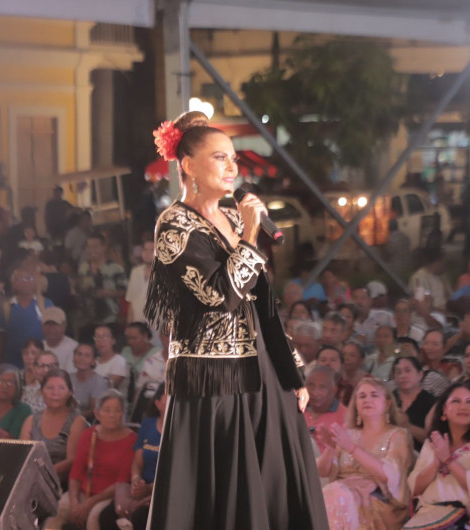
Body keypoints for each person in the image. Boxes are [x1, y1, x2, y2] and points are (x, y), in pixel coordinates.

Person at [143, 112, 327, 529]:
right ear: (188, 165)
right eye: (220, 158)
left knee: (277, 486)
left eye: (233, 159)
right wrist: (248, 236)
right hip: (216, 382)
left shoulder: (231, 218)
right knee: (226, 497)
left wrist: (292, 370)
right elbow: (217, 298)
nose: (232, 168)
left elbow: (263, 305)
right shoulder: (174, 225)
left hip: (262, 371)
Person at [319, 377, 414, 530]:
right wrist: (330, 449)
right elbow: (322, 471)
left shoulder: (398, 435)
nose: (367, 400)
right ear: (355, 404)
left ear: (388, 404)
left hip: (379, 502)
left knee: (336, 496)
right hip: (340, 494)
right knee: (326, 495)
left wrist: (352, 449)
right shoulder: (349, 434)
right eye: (362, 396)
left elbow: (390, 475)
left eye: (374, 395)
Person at [407, 383, 470, 530]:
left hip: (464, 520)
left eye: (469, 402)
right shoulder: (432, 443)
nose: (463, 406)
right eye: (456, 401)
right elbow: (414, 488)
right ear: (444, 410)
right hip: (427, 516)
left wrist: (449, 460)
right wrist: (435, 463)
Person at [48, 389, 136, 530]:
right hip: (83, 492)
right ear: (97, 413)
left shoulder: (131, 440)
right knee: (58, 509)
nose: (112, 415)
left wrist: (89, 504)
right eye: (107, 410)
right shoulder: (90, 434)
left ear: (123, 414)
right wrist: (75, 502)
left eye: (117, 410)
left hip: (108, 497)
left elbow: (122, 481)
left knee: (95, 516)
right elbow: (76, 472)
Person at [100, 383, 168, 530]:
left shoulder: (183, 430)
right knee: (106, 516)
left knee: (141, 517)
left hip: (163, 492)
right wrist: (136, 479)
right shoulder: (148, 424)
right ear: (157, 403)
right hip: (141, 488)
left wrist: (150, 488)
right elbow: (137, 463)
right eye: (167, 397)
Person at [19, 368, 87, 483]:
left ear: (70, 392)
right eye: (50, 388)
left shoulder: (77, 421)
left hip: (62, 482)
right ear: (41, 391)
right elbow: (22, 454)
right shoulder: (31, 420)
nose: (55, 393)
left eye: (61, 388)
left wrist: (43, 474)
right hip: (31, 479)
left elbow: (72, 460)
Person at [77, 232, 128, 340]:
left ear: (104, 247)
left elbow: (126, 291)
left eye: (95, 246)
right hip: (88, 320)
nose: (92, 250)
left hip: (111, 319)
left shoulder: (115, 268)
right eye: (89, 247)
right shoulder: (83, 268)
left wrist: (107, 293)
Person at [1, 268, 54, 367]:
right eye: (21, 279)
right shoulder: (7, 307)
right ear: (14, 284)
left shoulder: (46, 304)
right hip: (13, 362)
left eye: (29, 278)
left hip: (41, 363)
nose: (26, 282)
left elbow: (54, 332)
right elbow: (2, 337)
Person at [391, 356, 436, 450]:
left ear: (420, 375)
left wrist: (408, 426)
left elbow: (433, 439)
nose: (402, 376)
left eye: (407, 370)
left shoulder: (431, 402)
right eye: (398, 372)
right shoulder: (389, 399)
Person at [304, 366, 348, 453]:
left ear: (334, 390)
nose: (315, 392)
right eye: (311, 386)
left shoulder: (346, 416)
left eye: (322, 387)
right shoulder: (297, 411)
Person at [120, 322, 160, 401]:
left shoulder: (157, 353)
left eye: (134, 338)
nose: (130, 342)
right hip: (124, 397)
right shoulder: (125, 351)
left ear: (145, 336)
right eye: (128, 338)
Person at [69, 343, 109, 421]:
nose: (82, 358)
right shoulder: (68, 378)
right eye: (79, 354)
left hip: (86, 423)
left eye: (87, 355)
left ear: (93, 361)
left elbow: (95, 410)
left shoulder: (98, 382)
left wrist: (75, 418)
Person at [91, 325, 129, 396]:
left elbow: (110, 387)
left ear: (113, 341)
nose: (101, 341)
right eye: (97, 337)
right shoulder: (93, 361)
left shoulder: (119, 361)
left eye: (104, 337)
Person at [126, 241, 155, 325]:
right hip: (137, 321)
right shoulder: (135, 272)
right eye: (145, 250)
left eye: (152, 250)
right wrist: (129, 325)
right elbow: (131, 301)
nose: (148, 253)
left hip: (156, 324)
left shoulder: (166, 274)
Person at [41, 307, 78, 373]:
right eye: (47, 324)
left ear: (64, 325)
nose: (51, 328)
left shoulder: (73, 348)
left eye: (54, 324)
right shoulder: (39, 347)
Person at [419, 328, 452, 397]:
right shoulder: (417, 369)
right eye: (426, 343)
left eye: (435, 344)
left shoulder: (451, 369)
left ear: (444, 348)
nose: (429, 347)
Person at [20, 339, 48, 413]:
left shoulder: (48, 379)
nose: (30, 357)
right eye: (26, 353)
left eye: (34, 353)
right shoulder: (16, 377)